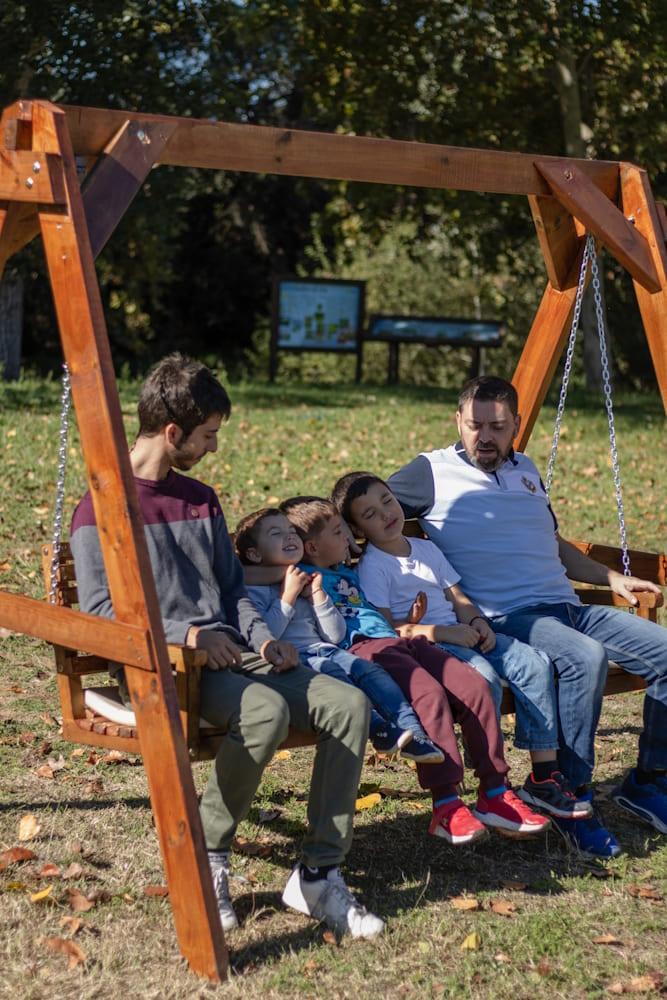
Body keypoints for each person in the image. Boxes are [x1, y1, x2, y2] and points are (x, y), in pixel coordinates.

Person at [69, 353, 384, 940]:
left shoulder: (200, 499)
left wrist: (265, 638)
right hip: (167, 667)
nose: (213, 446)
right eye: (208, 435)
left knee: (347, 705)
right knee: (263, 712)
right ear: (173, 432)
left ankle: (319, 871)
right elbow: (101, 616)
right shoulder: (102, 506)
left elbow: (234, 587)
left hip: (234, 655)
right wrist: (187, 636)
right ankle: (210, 856)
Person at [388, 374, 667, 858]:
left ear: (516, 425)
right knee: (584, 658)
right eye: (475, 425)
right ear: (458, 420)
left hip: (568, 607)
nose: (485, 437)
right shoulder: (429, 472)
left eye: (497, 427)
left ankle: (647, 780)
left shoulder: (527, 470)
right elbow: (364, 506)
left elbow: (552, 545)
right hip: (506, 619)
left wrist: (610, 578)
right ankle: (569, 794)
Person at [281, 496, 551, 845]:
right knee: (428, 693)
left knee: (473, 685)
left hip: (398, 639)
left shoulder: (345, 569)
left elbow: (375, 611)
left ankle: (495, 790)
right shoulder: (306, 579)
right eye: (338, 531)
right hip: (366, 651)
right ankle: (446, 804)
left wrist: (406, 622)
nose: (347, 536)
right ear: (312, 546)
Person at [333, 470, 592, 822]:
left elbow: (458, 596)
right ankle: (483, 757)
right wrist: (443, 632)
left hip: (465, 632)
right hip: (433, 645)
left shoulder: (426, 549)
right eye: (370, 515)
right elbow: (385, 630)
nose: (385, 514)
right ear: (359, 531)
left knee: (533, 664)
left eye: (387, 502)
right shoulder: (373, 567)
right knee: (481, 675)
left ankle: (543, 775)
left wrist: (475, 622)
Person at [236, 505, 444, 764]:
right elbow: (267, 638)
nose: (290, 537)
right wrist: (287, 597)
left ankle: (414, 733)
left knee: (370, 671)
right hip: (294, 661)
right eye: (276, 533)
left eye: (291, 531)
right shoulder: (252, 591)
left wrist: (318, 597)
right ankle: (377, 727)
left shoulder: (307, 579)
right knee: (333, 673)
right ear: (254, 554)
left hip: (326, 648)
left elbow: (334, 635)